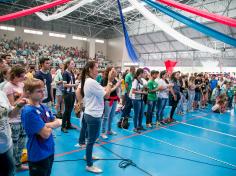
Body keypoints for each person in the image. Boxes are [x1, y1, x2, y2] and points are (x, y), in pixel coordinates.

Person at [21, 78, 62, 176]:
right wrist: (51, 125)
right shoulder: (29, 111)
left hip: (49, 150)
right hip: (38, 154)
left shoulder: (43, 107)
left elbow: (59, 122)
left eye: (43, 90)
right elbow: (45, 134)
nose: (43, 93)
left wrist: (44, 125)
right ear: (28, 93)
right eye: (39, 91)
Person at [80, 60, 115, 173]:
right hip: (93, 115)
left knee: (89, 139)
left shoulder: (90, 81)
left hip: (89, 113)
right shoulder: (91, 82)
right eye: (96, 67)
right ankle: (89, 165)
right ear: (90, 69)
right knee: (92, 140)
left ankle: (87, 156)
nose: (98, 69)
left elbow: (102, 90)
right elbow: (107, 95)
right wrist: (110, 81)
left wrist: (110, 83)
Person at [2, 65, 28, 171]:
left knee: (22, 144)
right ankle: (12, 166)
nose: (23, 78)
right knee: (14, 145)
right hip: (14, 120)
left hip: (23, 118)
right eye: (21, 76)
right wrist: (23, 96)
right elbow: (11, 105)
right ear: (15, 76)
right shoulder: (8, 86)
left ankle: (18, 164)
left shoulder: (21, 84)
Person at [0, 90, 27, 176]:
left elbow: (11, 114)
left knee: (10, 172)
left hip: (6, 145)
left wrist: (19, 105)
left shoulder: (1, 94)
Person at [100, 67, 122, 139]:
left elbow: (118, 89)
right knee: (106, 117)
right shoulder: (104, 80)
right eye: (113, 70)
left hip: (115, 100)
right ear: (109, 72)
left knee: (111, 116)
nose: (114, 71)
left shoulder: (115, 79)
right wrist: (116, 86)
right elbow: (106, 92)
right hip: (108, 100)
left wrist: (119, 85)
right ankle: (103, 132)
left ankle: (109, 130)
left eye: (115, 70)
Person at [61, 59, 77, 133]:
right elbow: (64, 85)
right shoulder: (65, 73)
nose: (73, 65)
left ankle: (69, 124)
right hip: (67, 94)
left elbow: (73, 83)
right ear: (68, 64)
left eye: (73, 64)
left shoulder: (71, 73)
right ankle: (63, 126)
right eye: (72, 64)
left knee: (70, 110)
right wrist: (75, 85)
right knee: (67, 110)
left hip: (72, 93)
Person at [130, 68, 147, 133]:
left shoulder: (141, 80)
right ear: (140, 73)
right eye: (143, 73)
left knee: (141, 113)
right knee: (136, 114)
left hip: (141, 99)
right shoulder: (135, 80)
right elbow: (133, 91)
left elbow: (141, 89)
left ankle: (139, 125)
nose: (144, 74)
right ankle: (135, 127)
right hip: (136, 99)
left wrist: (144, 90)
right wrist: (142, 92)